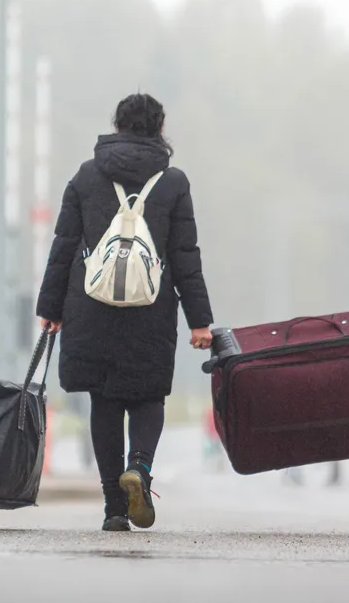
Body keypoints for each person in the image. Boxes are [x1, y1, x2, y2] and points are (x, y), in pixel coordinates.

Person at [36, 93, 214, 532]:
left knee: (105, 399)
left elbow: (63, 247)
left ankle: (114, 507)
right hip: (150, 309)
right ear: (159, 129)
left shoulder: (86, 176)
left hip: (91, 306)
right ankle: (140, 467)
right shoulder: (173, 183)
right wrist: (199, 320)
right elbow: (184, 255)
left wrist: (50, 308)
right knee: (148, 396)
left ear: (116, 126)